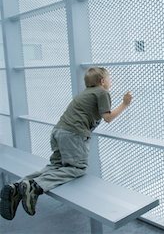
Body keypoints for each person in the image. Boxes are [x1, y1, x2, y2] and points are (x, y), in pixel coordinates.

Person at [0, 67, 132, 220]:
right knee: (77, 168)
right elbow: (108, 118)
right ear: (102, 81)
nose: (111, 81)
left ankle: (17, 186)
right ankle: (34, 187)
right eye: (109, 78)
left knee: (56, 166)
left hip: (58, 131)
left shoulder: (85, 93)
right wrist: (125, 103)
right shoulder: (102, 92)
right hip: (73, 135)